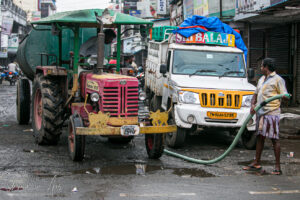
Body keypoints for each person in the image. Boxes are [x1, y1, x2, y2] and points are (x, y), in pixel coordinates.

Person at [243, 58, 288, 175]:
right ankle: (256, 163)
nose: (260, 68)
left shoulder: (278, 80)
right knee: (260, 137)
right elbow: (255, 94)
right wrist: (253, 105)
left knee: (274, 139)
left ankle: (277, 167)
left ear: (266, 67)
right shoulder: (262, 79)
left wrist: (285, 96)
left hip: (271, 113)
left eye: (262, 66)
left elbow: (285, 94)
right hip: (260, 113)